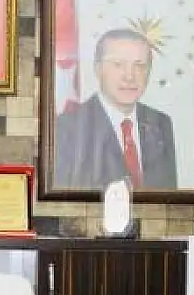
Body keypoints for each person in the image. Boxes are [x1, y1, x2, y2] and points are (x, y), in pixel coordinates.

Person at [54, 28, 178, 190]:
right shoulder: (66, 128)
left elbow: (168, 197)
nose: (130, 76)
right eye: (118, 64)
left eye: (140, 65)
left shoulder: (160, 123)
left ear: (149, 71)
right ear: (98, 68)